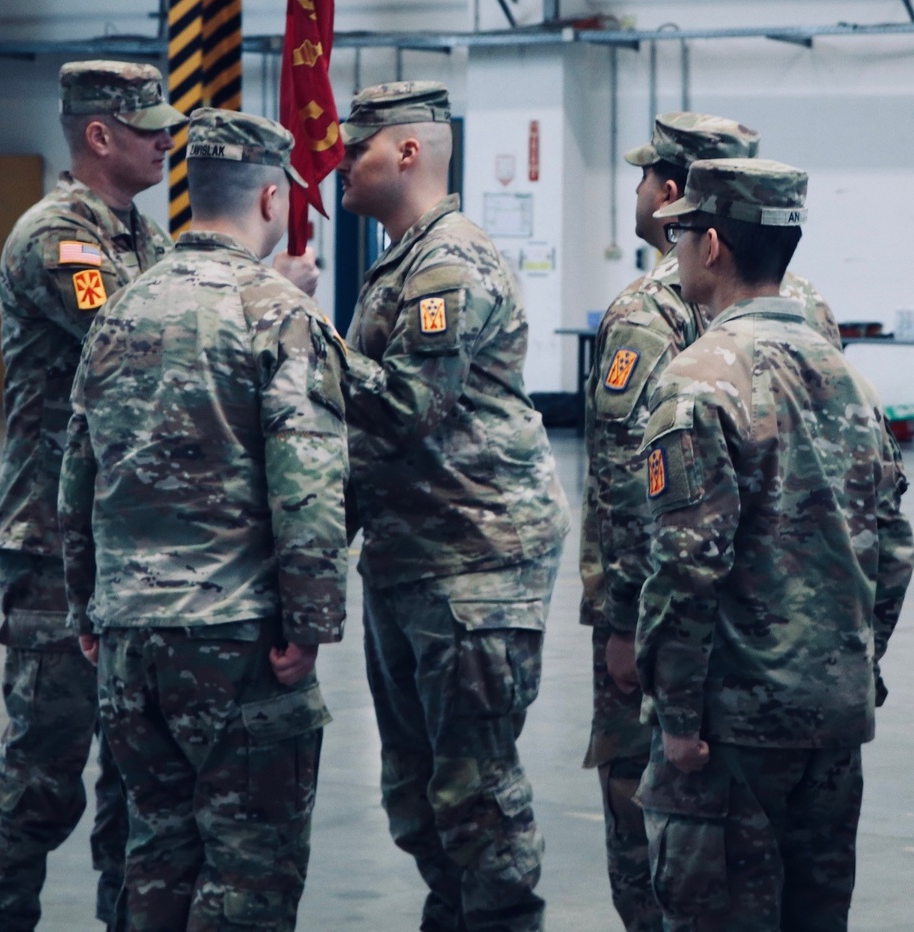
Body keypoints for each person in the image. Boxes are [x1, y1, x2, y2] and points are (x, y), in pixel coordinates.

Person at [58, 108, 349, 932]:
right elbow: (308, 482)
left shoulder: (120, 309)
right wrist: (313, 622)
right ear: (270, 200)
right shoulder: (278, 315)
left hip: (129, 643)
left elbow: (75, 473)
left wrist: (87, 605)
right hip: (238, 640)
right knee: (249, 874)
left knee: (155, 855)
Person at [635, 158, 913, 931]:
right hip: (831, 716)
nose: (675, 244)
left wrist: (680, 714)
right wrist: (853, 667)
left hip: (731, 736)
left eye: (682, 230)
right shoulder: (848, 378)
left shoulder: (699, 382)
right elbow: (892, 548)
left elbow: (688, 567)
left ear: (713, 245)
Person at [336, 81, 571, 932]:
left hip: (472, 562)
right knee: (415, 789)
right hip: (412, 557)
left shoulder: (448, 262)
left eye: (355, 148)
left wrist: (299, 338)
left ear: (405, 151)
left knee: (474, 790)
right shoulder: (401, 258)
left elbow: (405, 407)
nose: (340, 164)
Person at [0, 59, 183, 932]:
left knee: (135, 771)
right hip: (57, 543)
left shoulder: (146, 239)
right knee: (46, 766)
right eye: (148, 127)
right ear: (99, 136)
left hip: (128, 542)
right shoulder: (60, 238)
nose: (166, 139)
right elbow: (135, 346)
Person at [579, 112, 760, 932]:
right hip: (759, 622)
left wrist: (621, 622)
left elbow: (626, 483)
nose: (638, 190)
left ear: (674, 193)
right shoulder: (802, 306)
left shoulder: (647, 310)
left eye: (646, 176)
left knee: (644, 818)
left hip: (663, 612)